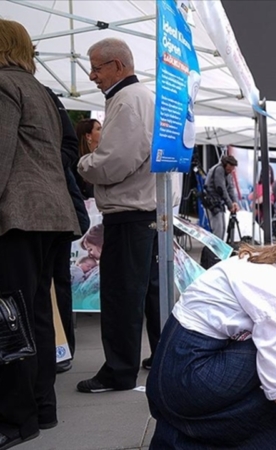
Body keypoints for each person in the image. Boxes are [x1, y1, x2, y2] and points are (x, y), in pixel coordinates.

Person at [146, 215, 276, 449]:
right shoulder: (274, 287)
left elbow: (240, 324)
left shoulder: (260, 263)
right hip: (186, 378)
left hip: (173, 368)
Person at [0, 18, 79, 449]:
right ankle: (41, 407)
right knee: (36, 314)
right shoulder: (40, 90)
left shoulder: (3, 85)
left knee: (10, 317)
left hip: (19, 215)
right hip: (51, 215)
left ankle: (17, 418)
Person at [76, 37, 161, 393]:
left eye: (97, 67)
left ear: (119, 66)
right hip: (144, 209)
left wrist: (84, 164)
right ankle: (159, 356)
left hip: (130, 211)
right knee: (148, 293)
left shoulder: (128, 100)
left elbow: (115, 163)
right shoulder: (138, 97)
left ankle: (119, 370)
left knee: (122, 295)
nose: (92, 75)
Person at [44, 87, 91, 374]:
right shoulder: (47, 96)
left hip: (51, 212)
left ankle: (60, 350)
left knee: (51, 285)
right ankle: (60, 351)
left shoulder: (43, 95)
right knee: (51, 285)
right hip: (57, 211)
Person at [204, 154, 239, 240]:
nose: (231, 169)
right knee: (218, 229)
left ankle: (219, 251)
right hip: (212, 202)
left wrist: (234, 202)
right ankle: (214, 251)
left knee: (222, 228)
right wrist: (230, 205)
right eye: (230, 167)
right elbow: (221, 189)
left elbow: (230, 187)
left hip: (218, 202)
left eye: (233, 168)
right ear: (225, 164)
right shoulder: (219, 170)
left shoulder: (228, 172)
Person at [74, 118, 102, 199]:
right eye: (99, 129)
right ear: (88, 136)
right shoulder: (76, 161)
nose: (103, 131)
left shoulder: (100, 157)